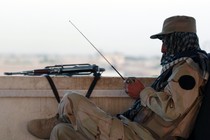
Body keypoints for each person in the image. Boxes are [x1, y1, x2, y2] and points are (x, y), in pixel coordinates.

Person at [27, 15, 209, 140]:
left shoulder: (188, 72)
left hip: (143, 136)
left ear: (179, 40)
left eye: (165, 42)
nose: (163, 49)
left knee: (71, 98)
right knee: (61, 132)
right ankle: (60, 122)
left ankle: (60, 117)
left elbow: (172, 111)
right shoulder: (178, 68)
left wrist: (142, 93)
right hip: (134, 129)